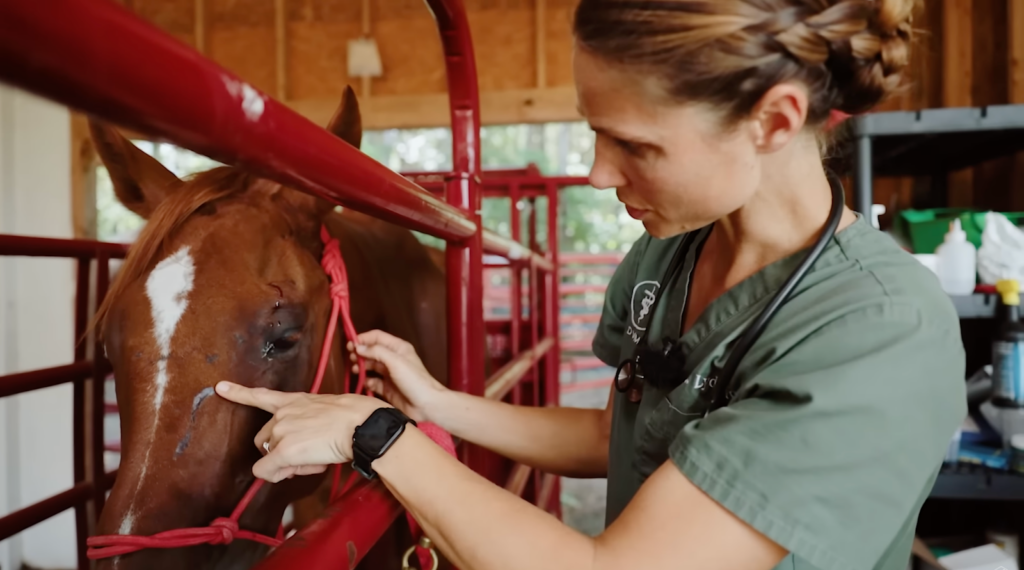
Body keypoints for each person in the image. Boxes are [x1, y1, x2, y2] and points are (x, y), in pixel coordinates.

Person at [215, 1, 968, 568]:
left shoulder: (878, 331)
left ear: (773, 122)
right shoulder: (668, 254)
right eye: (594, 130)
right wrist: (439, 404)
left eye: (634, 143)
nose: (598, 173)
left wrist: (376, 436)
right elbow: (616, 435)